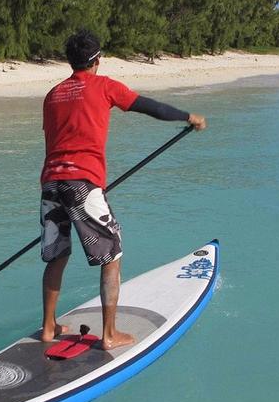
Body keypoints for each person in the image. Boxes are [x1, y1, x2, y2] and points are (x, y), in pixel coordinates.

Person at [40, 30, 207, 349]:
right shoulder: (104, 86)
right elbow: (148, 106)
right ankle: (109, 335)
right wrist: (189, 117)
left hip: (51, 183)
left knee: (57, 255)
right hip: (83, 182)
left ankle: (49, 327)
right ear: (97, 60)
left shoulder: (53, 94)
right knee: (112, 254)